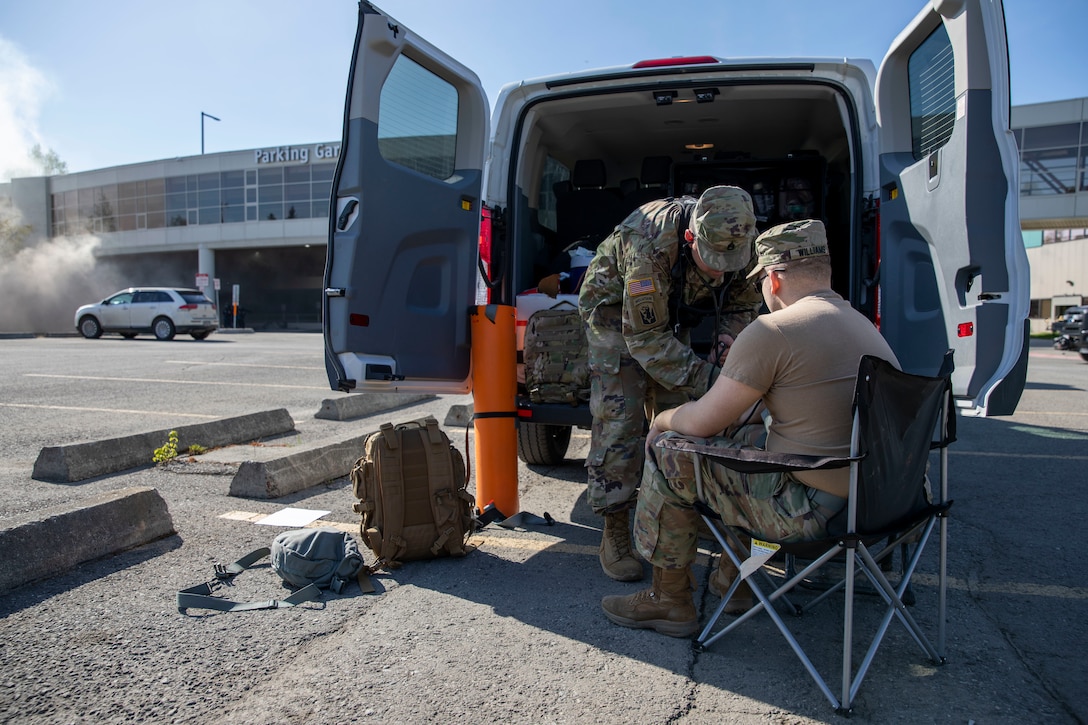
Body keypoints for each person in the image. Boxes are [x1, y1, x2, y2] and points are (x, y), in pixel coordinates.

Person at [600, 219, 900, 637]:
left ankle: (669, 602)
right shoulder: (864, 327)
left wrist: (664, 419)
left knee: (670, 449)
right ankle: (734, 581)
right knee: (741, 440)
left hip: (808, 514)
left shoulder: (774, 330)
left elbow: (701, 421)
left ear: (774, 280)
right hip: (879, 504)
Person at [577, 186, 763, 582]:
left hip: (670, 313)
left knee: (679, 415)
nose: (720, 271)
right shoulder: (649, 243)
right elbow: (644, 339)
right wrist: (713, 380)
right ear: (691, 236)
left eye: (730, 262)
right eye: (712, 260)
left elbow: (745, 303)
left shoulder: (742, 242)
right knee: (620, 418)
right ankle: (614, 528)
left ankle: (672, 515)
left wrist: (727, 340)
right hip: (613, 314)